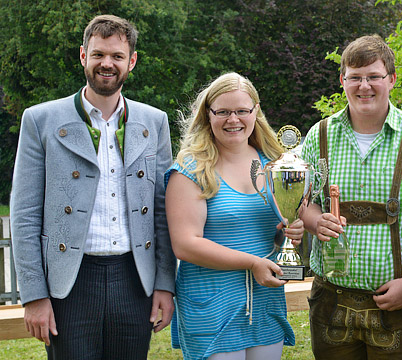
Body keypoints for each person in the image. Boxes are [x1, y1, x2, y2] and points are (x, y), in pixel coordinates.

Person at [10, 14, 176, 359]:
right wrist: (34, 295)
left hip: (135, 278)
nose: (107, 64)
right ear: (84, 56)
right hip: (68, 280)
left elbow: (162, 210)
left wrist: (164, 284)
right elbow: (24, 214)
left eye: (117, 56)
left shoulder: (154, 121)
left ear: (131, 61)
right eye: (99, 54)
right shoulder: (40, 119)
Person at [299, 34, 402, 359]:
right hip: (331, 303)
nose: (364, 86)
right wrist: (315, 222)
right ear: (343, 81)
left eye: (373, 77)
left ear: (391, 79)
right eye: (355, 77)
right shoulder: (319, 135)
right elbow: (304, 202)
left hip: (400, 306)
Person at [165, 72, 303, 360]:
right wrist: (252, 263)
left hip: (264, 303)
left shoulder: (274, 163)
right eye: (223, 112)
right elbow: (185, 244)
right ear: (208, 114)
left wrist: (290, 234)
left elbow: (274, 233)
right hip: (212, 304)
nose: (233, 120)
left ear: (256, 112)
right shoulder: (191, 169)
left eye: (242, 111)